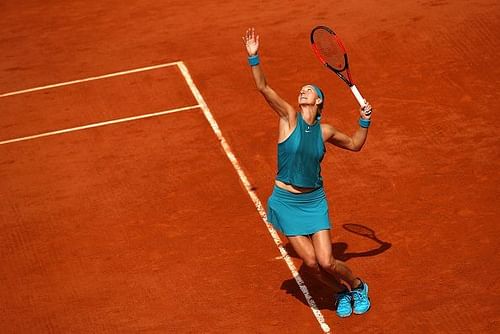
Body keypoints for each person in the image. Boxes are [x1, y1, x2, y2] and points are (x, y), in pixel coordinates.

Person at [242, 27, 373, 318]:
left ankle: (357, 285)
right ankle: (340, 293)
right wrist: (254, 58)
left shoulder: (324, 132)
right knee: (311, 264)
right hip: (285, 202)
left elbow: (354, 144)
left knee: (326, 261)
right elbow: (263, 88)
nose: (303, 91)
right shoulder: (288, 118)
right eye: (301, 90)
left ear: (318, 102)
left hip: (313, 202)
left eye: (309, 91)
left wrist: (364, 122)